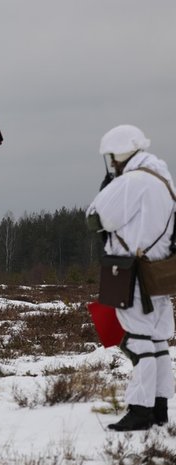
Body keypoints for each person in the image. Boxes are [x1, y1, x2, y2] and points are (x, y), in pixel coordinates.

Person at [87, 124, 175, 431]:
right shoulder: (164, 178)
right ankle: (160, 407)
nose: (111, 162)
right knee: (158, 341)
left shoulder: (131, 182)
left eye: (112, 156)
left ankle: (140, 410)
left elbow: (96, 218)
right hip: (159, 272)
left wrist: (107, 186)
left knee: (138, 341)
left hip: (131, 272)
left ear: (122, 152)